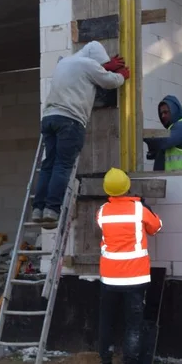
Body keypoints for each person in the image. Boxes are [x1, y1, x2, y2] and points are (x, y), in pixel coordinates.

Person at [32, 41, 129, 228]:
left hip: (49, 118)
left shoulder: (64, 62)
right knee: (62, 165)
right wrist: (121, 76)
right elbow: (109, 82)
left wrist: (105, 67)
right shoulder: (89, 64)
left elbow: (84, 73)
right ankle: (52, 209)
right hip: (70, 121)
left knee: (48, 165)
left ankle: (38, 208)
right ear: (95, 59)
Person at [96, 167, 162, 364]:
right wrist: (144, 206)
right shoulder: (138, 209)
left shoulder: (102, 211)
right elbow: (156, 227)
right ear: (127, 187)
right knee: (133, 324)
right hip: (136, 278)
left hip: (110, 278)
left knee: (107, 321)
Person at [143, 96, 182, 172]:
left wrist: (144, 135)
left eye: (166, 112)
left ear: (174, 110)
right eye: (161, 113)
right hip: (175, 179)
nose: (163, 116)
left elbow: (165, 141)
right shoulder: (173, 128)